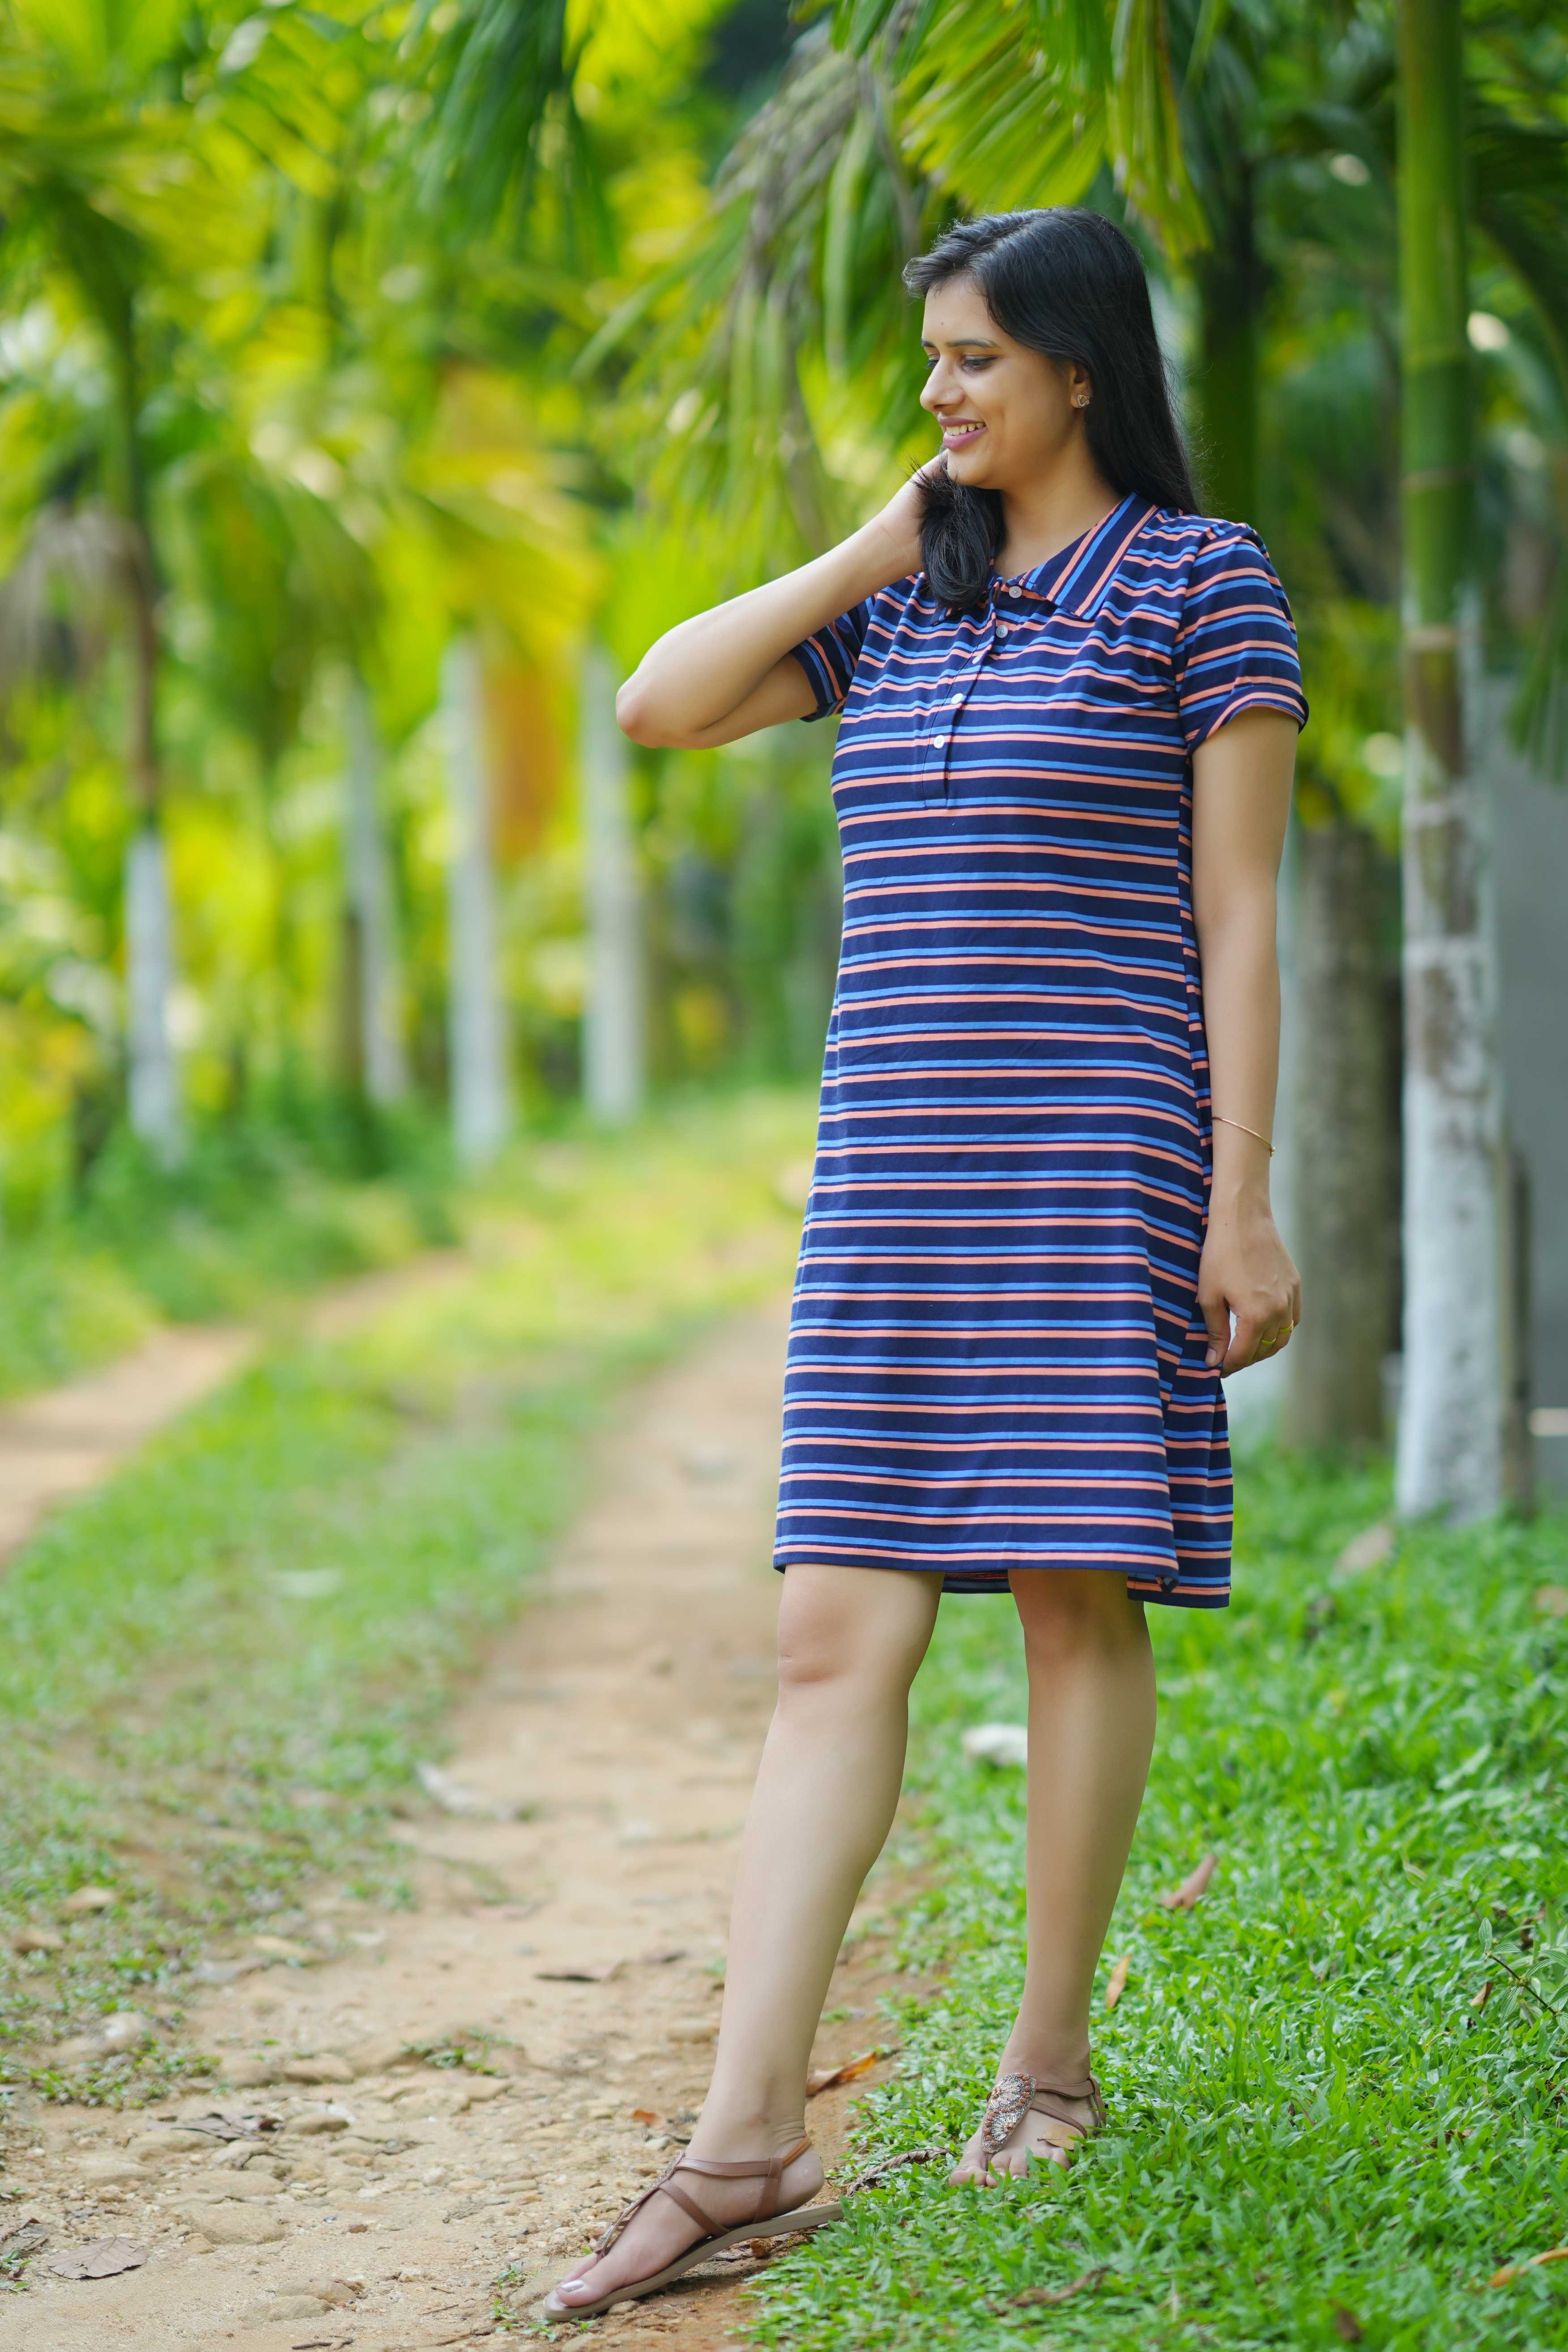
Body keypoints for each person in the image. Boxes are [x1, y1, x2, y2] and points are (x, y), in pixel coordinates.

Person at [545, 205, 1305, 2321]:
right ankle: (745, 2137)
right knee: (826, 1642)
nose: (943, 395)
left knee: (1075, 1605)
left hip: (1098, 1172)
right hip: (892, 1184)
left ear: (1081, 369)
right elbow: (658, 701)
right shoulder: (901, 605)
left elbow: (1240, 919)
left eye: (977, 360)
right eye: (932, 364)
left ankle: (1045, 2074)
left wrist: (1242, 1196)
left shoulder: (1199, 583)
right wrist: (886, 540)